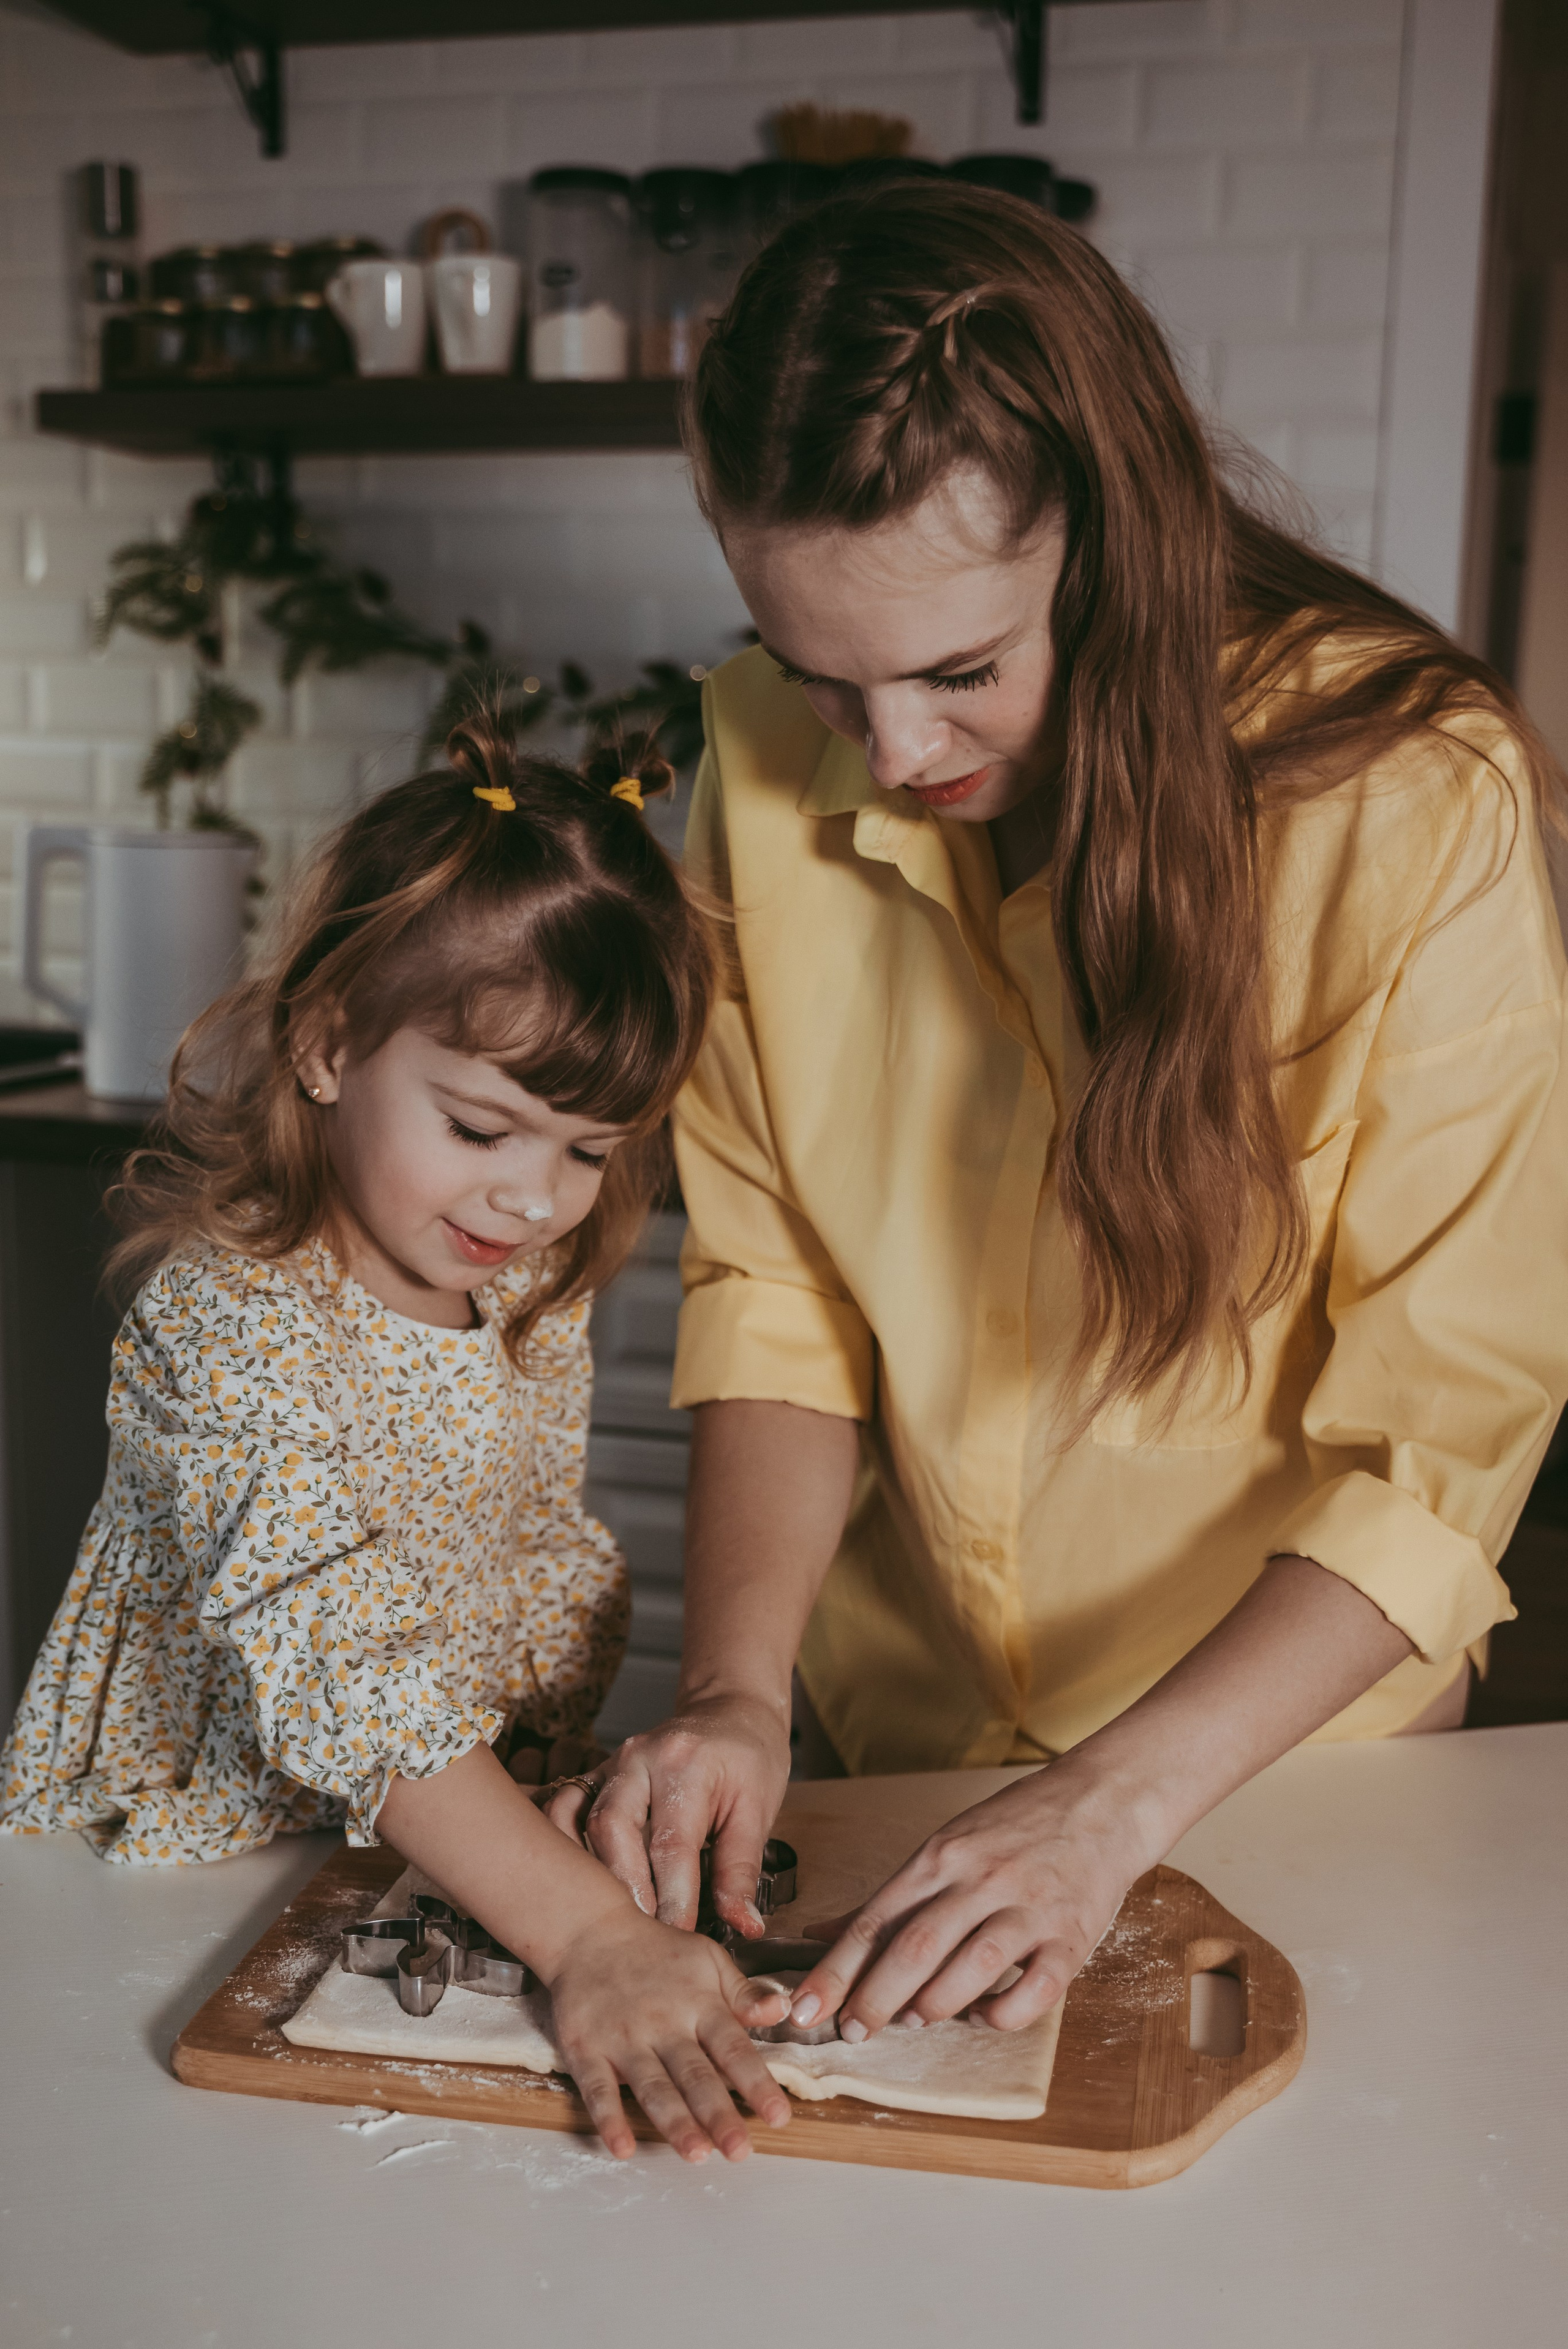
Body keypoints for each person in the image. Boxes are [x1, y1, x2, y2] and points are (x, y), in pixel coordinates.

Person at [552, 181, 1568, 2050]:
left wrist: (1113, 1802)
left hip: (1281, 1773)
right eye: (824, 679)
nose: (902, 754)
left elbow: (1441, 1446)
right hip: (901, 1752)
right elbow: (781, 1294)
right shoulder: (758, 770)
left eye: (961, 673)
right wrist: (734, 1694)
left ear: (1112, 548)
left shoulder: (1418, 799)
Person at [0, 720, 793, 2163]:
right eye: (480, 1125)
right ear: (326, 1043)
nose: (533, 1197)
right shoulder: (225, 1328)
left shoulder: (522, 1295)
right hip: (178, 1884)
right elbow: (343, 1661)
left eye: (587, 1149)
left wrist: (563, 1811)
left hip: (399, 1861)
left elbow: (523, 1564)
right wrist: (588, 1936)